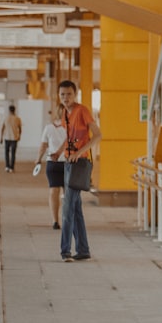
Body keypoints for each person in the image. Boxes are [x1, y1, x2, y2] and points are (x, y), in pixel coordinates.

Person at [56, 80, 101, 262]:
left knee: (67, 208)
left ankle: (65, 251)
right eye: (62, 95)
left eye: (69, 94)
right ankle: (83, 249)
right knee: (75, 208)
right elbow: (69, 138)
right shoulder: (65, 114)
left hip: (79, 163)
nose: (66, 98)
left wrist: (79, 153)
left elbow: (98, 135)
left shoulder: (82, 111)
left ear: (75, 95)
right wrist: (58, 152)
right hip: (68, 162)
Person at [35, 106, 68, 230]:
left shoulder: (49, 128)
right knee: (67, 193)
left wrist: (38, 160)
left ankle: (55, 221)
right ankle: (67, 219)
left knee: (53, 191)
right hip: (68, 163)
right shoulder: (71, 128)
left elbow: (43, 145)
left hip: (52, 163)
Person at [0, 104, 22, 172]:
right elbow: (20, 129)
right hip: (14, 138)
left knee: (6, 153)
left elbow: (2, 128)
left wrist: (1, 138)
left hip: (7, 138)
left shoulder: (6, 118)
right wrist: (19, 136)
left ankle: (7, 167)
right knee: (13, 153)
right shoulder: (18, 119)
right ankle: (12, 168)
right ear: (14, 110)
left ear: (9, 110)